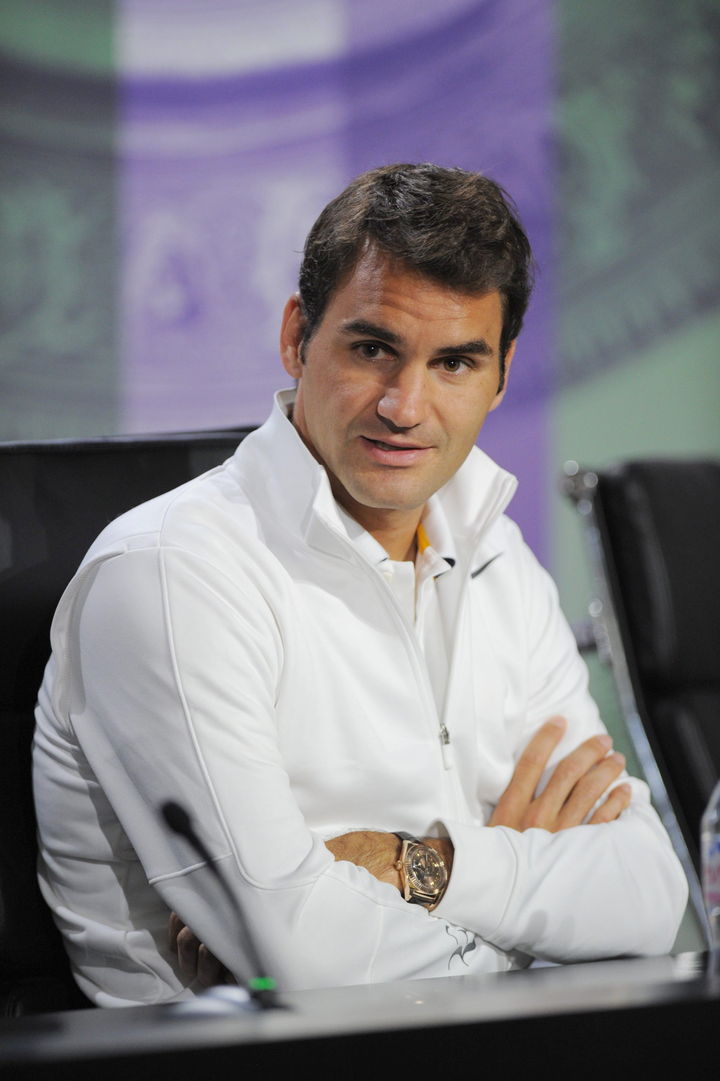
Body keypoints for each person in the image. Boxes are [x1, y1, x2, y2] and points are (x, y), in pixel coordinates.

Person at [33, 163, 687, 1008]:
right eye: (374, 349)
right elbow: (304, 966)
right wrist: (536, 916)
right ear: (296, 337)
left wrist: (418, 864)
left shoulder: (497, 555)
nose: (405, 406)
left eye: (455, 362)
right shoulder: (171, 573)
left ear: (500, 375)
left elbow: (650, 895)